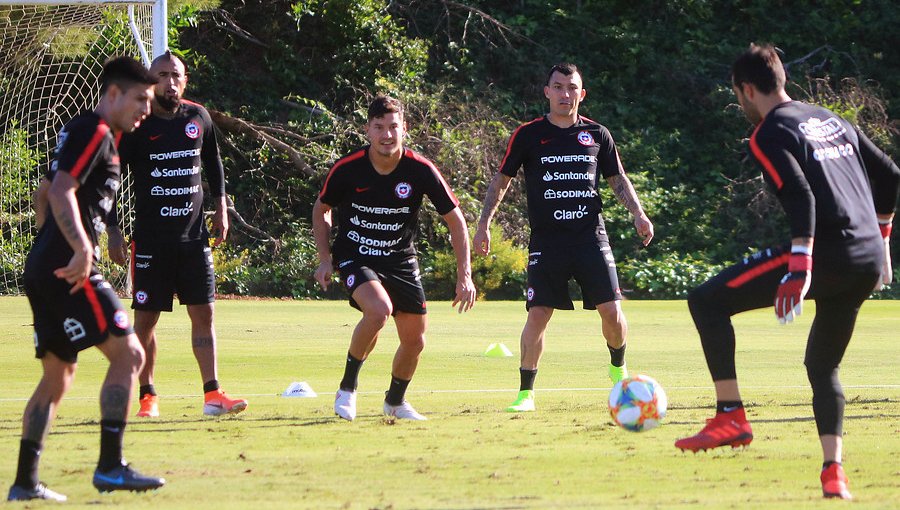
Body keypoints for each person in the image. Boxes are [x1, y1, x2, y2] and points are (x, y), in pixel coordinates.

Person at [674, 44, 899, 500]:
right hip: (865, 260)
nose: (740, 104)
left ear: (747, 88)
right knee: (822, 366)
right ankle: (833, 472)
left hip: (827, 253)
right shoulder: (832, 118)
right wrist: (884, 244)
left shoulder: (768, 132)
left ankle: (731, 416)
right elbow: (892, 176)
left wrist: (800, 267)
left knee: (706, 301)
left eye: (738, 95)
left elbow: (801, 197)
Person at [9, 56, 166, 502]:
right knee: (130, 354)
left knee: (58, 374)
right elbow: (61, 191)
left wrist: (47, 246)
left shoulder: (83, 132)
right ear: (113, 94)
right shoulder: (96, 132)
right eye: (140, 99)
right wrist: (78, 247)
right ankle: (111, 467)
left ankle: (25, 482)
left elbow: (45, 191)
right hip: (69, 269)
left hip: (45, 266)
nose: (145, 109)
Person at [474, 63, 654, 413]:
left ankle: (618, 367)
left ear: (581, 94)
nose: (565, 94)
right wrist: (483, 225)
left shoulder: (598, 134)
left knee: (612, 313)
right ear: (547, 91)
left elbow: (617, 178)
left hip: (590, 237)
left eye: (572, 88)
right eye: (558, 87)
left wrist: (638, 212)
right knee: (538, 313)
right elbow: (501, 181)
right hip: (548, 241)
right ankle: (526, 394)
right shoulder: (527, 135)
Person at [313, 95, 476, 421]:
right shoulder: (348, 168)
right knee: (378, 311)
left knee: (415, 341)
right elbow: (321, 209)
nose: (387, 135)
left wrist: (465, 275)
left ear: (405, 129)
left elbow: (455, 220)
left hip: (400, 260)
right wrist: (325, 258)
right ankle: (347, 388)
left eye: (393, 127)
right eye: (379, 128)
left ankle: (395, 401)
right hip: (355, 255)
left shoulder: (421, 169)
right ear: (368, 131)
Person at [108, 51, 247, 418]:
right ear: (150, 81)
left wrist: (221, 205)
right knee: (146, 319)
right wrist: (112, 230)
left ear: (184, 81)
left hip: (193, 238)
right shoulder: (136, 123)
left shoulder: (197, 116)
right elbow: (111, 179)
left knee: (204, 314)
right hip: (151, 241)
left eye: (176, 75)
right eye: (162, 75)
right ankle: (147, 397)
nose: (169, 81)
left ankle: (213, 394)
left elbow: (213, 162)